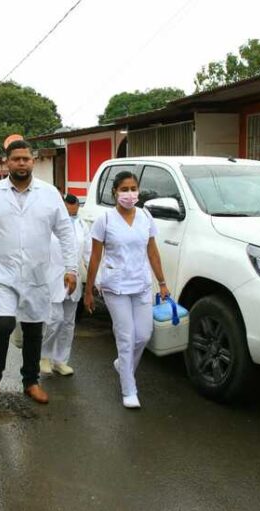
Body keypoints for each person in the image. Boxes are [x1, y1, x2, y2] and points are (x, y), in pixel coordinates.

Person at [0, 139, 78, 407]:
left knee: (33, 328)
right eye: (15, 158)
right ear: (6, 161)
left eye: (26, 159)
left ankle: (30, 382)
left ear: (33, 161)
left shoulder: (49, 193)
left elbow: (65, 232)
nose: (21, 163)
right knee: (3, 324)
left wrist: (71, 268)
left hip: (37, 274)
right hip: (3, 273)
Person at [84, 171, 169, 409]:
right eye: (124, 189)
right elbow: (95, 256)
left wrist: (162, 282)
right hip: (115, 285)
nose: (130, 194)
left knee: (143, 335)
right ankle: (129, 389)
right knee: (125, 337)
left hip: (141, 284)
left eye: (133, 189)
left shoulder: (145, 216)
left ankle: (123, 366)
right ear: (115, 192)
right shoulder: (106, 220)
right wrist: (88, 290)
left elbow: (152, 251)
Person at [40, 193, 91, 376]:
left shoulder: (82, 225)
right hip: (52, 278)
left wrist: (96, 279)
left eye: (74, 205)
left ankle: (60, 361)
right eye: (67, 206)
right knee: (55, 319)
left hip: (74, 279)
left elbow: (88, 253)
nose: (71, 209)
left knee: (69, 323)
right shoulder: (48, 224)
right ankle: (44, 355)